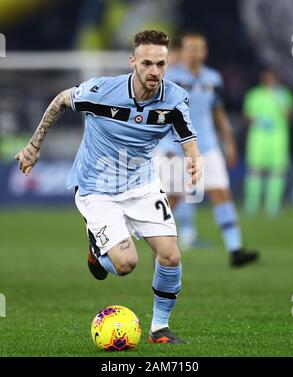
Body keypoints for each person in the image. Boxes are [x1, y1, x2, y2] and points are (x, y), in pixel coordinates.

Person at [15, 30, 202, 344]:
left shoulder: (174, 98)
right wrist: (34, 147)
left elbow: (186, 134)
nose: (154, 71)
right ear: (133, 62)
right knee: (126, 265)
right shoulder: (101, 91)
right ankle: (96, 250)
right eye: (147, 63)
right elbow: (62, 100)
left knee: (170, 255)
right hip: (96, 189)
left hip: (142, 186)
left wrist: (193, 158)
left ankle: (160, 329)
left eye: (161, 64)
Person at [157, 31, 259, 267]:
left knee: (221, 193)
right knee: (173, 199)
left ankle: (235, 249)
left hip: (209, 146)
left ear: (205, 52)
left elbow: (218, 112)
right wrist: (163, 145)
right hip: (177, 146)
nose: (195, 52)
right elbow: (159, 114)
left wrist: (229, 142)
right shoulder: (169, 78)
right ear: (182, 51)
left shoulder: (213, 78)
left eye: (199, 48)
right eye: (191, 47)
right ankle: (162, 249)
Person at [243, 68, 293, 216]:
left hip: (278, 138)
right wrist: (257, 120)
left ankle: (272, 206)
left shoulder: (284, 95)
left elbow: (290, 116)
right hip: (258, 138)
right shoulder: (254, 95)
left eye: (273, 78)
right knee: (255, 170)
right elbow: (246, 117)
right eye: (268, 78)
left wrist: (282, 103)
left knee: (277, 172)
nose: (271, 81)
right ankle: (251, 205)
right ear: (264, 79)